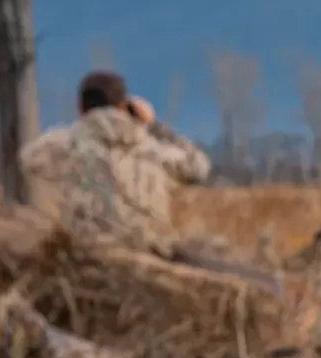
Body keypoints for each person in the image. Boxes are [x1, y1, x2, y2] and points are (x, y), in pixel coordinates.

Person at [21, 71, 211, 255]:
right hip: (149, 255)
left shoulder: (65, 144)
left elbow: (28, 157)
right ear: (124, 107)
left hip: (88, 255)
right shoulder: (153, 148)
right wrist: (154, 126)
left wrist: (80, 127)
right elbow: (199, 167)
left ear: (80, 108)